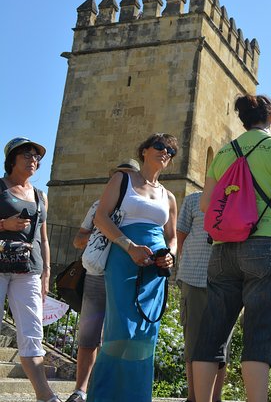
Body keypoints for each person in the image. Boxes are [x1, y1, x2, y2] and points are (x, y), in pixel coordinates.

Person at [192, 94, 271, 402]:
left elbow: (204, 203)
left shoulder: (225, 152)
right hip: (266, 245)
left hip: (224, 250)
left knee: (212, 332)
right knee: (259, 332)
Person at [87, 133, 177, 401]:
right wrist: (129, 247)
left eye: (170, 151)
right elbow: (101, 218)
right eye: (159, 146)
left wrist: (170, 255)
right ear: (145, 150)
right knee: (121, 330)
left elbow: (171, 236)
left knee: (146, 334)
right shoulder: (122, 180)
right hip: (123, 259)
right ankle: (102, 396)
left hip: (155, 269)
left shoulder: (169, 196)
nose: (165, 152)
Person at [66, 159, 140, 402]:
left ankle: (108, 389)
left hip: (125, 278)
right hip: (96, 276)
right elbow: (78, 239)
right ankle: (80, 390)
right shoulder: (98, 206)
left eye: (129, 176)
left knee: (118, 337)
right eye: (120, 176)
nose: (123, 181)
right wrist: (100, 230)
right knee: (89, 337)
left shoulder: (141, 208)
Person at [0, 137, 62, 402]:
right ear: (12, 158)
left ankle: (44, 395)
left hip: (29, 269)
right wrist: (4, 224)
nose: (33, 160)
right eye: (27, 155)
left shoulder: (40, 196)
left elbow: (44, 238)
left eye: (37, 157)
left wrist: (46, 272)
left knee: (33, 331)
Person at [176, 191, 228, 402]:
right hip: (194, 277)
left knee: (221, 345)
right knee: (194, 341)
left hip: (227, 281)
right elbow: (181, 236)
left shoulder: (239, 197)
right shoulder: (193, 199)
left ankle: (215, 398)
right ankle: (193, 398)